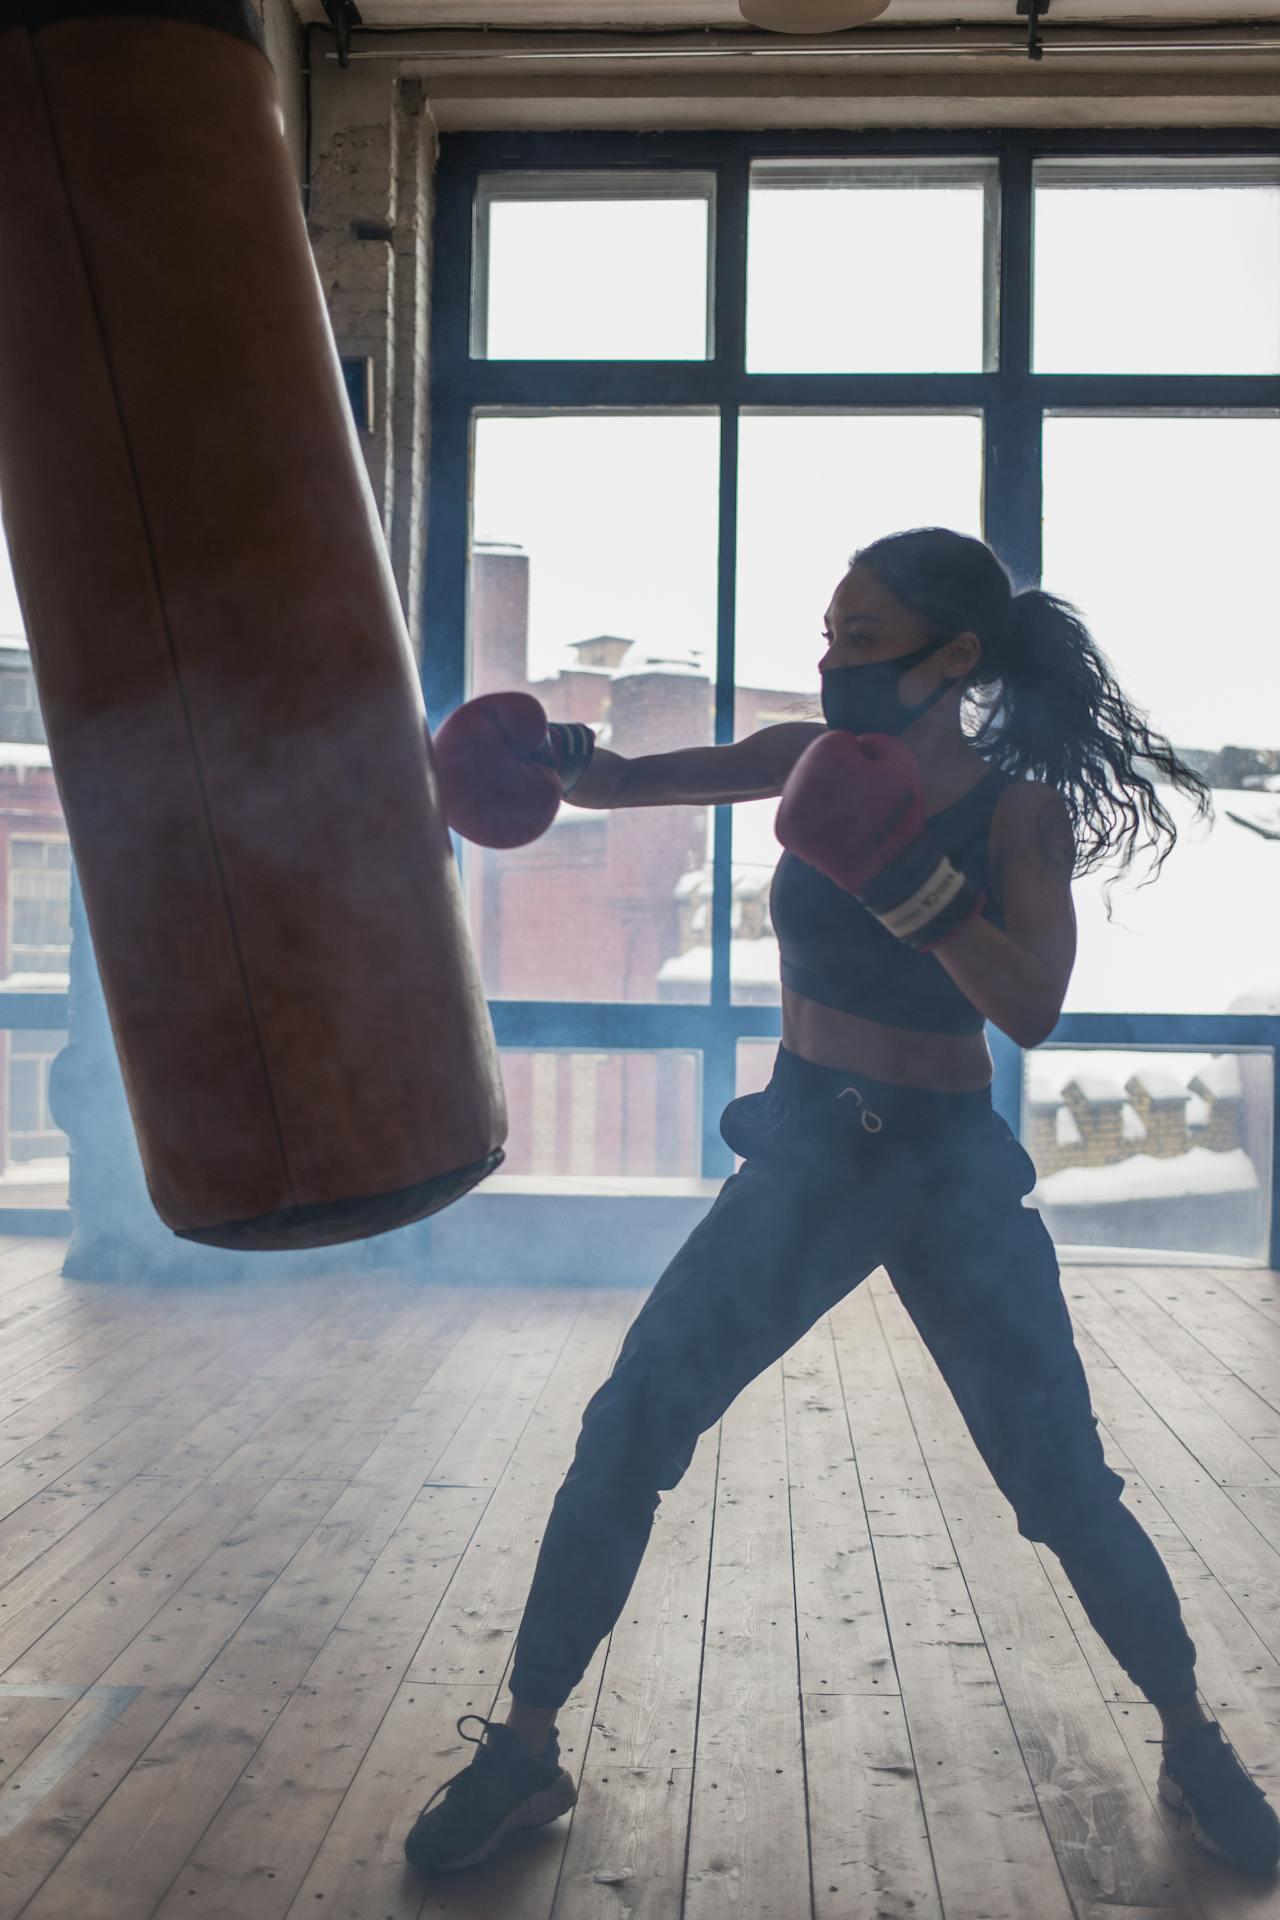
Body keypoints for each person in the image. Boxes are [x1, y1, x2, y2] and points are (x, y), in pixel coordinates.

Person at [405, 526, 1280, 1880]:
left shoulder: (1013, 811)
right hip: (813, 1152)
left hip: (943, 1167)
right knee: (630, 1425)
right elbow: (636, 778)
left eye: (861, 640)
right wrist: (548, 758)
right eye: (828, 635)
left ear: (956, 659)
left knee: (1060, 1485)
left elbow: (1032, 1007)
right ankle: (523, 1752)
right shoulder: (812, 758)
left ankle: (1193, 1741)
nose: (832, 663)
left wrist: (904, 883)